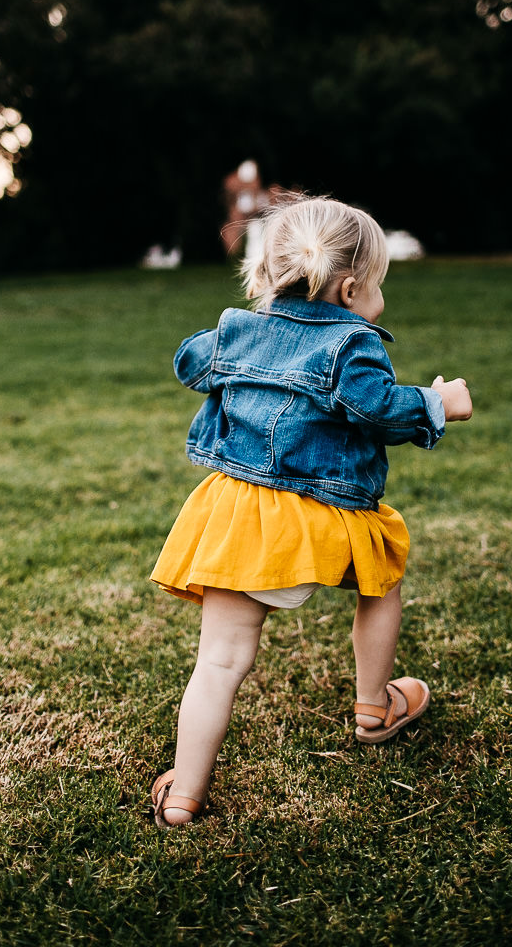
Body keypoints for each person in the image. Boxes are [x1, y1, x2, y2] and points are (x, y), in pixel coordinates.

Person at [149, 195, 472, 827]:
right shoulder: (352, 344)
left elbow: (190, 360)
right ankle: (374, 709)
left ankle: (185, 795)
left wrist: (247, 332)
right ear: (351, 288)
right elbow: (378, 407)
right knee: (381, 583)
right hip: (329, 518)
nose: (378, 298)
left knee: (219, 658)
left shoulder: (239, 330)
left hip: (243, 518)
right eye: (377, 286)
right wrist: (438, 404)